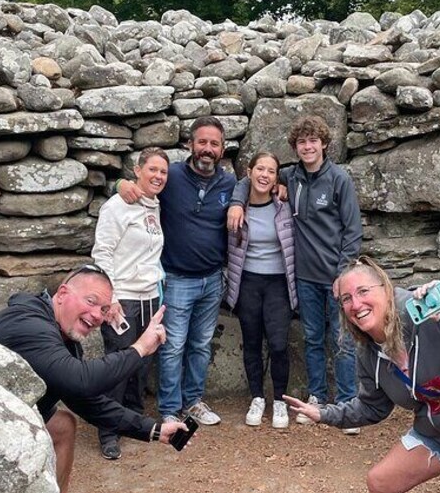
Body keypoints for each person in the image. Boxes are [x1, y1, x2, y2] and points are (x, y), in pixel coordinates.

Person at [283, 257, 440, 493]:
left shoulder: (428, 313)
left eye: (363, 291)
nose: (356, 304)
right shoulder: (368, 353)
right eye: (346, 299)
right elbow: (372, 407)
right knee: (381, 483)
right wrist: (324, 414)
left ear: (386, 289)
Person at [0, 265, 188, 493]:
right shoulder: (30, 323)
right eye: (91, 301)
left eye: (104, 309)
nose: (97, 315)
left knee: (63, 425)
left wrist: (155, 430)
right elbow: (81, 380)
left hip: (3, 411)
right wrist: (139, 349)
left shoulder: (63, 338)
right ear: (63, 294)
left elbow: (86, 400)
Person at [228, 115, 362, 433]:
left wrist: (343, 274)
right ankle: (316, 397)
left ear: (324, 144)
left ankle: (347, 405)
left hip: (336, 278)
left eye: (313, 141)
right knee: (313, 340)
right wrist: (236, 200)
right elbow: (253, 178)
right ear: (295, 147)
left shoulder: (339, 179)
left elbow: (353, 230)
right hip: (304, 278)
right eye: (301, 142)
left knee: (343, 341)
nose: (307, 147)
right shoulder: (292, 176)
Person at [117, 117, 236, 426]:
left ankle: (193, 401)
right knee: (172, 346)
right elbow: (142, 185)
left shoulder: (228, 183)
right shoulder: (173, 178)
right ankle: (170, 408)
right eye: (202, 142)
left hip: (212, 279)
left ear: (222, 149)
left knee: (200, 345)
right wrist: (122, 184)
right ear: (190, 145)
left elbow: (255, 188)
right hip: (177, 278)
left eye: (214, 144)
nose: (207, 149)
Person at [91, 147, 170, 460]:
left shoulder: (155, 205)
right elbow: (102, 253)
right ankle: (108, 431)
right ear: (137, 170)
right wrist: (108, 298)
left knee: (141, 364)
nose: (158, 176)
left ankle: (134, 420)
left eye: (163, 172)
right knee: (118, 366)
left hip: (150, 296)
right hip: (122, 298)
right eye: (152, 169)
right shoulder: (117, 205)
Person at [225, 152, 298, 428]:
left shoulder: (284, 205)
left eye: (271, 171)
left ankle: (280, 399)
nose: (264, 175)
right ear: (249, 171)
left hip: (278, 282)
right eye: (260, 169)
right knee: (252, 342)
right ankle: (257, 397)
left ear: (276, 176)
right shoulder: (236, 206)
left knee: (279, 343)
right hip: (247, 282)